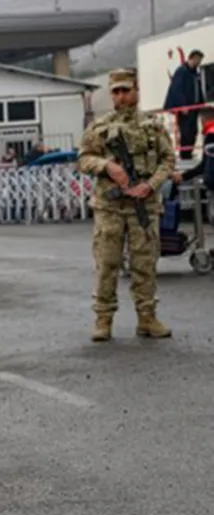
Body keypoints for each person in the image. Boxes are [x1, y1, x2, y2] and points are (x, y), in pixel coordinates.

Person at [78, 68, 176, 342]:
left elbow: (168, 160)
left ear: (136, 90)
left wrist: (151, 185)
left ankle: (147, 317)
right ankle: (103, 319)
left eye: (126, 90)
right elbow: (83, 158)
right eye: (116, 92)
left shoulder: (152, 125)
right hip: (110, 207)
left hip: (143, 204)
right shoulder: (99, 126)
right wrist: (107, 165)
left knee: (144, 263)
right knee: (107, 264)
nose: (121, 96)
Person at [164, 49, 205, 160]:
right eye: (198, 60)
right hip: (186, 108)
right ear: (191, 58)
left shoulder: (195, 73)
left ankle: (188, 152)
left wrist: (202, 103)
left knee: (194, 131)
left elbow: (198, 89)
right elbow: (177, 89)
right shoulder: (182, 71)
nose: (199, 62)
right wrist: (182, 105)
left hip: (194, 107)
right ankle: (185, 154)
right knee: (186, 131)